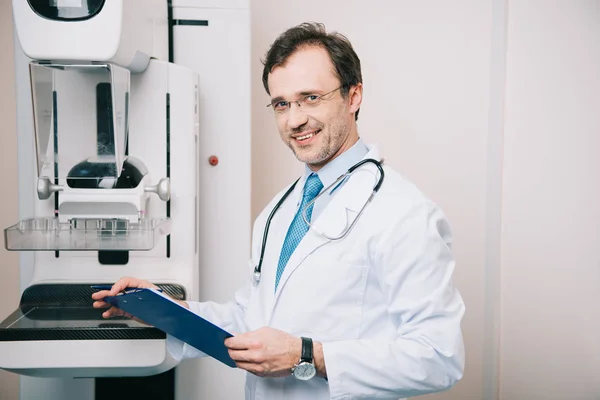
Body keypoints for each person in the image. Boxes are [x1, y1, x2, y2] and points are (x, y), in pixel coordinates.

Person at [92, 22, 465, 400]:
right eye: (282, 104)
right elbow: (252, 320)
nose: (294, 120)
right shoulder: (279, 209)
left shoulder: (405, 213)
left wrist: (307, 356)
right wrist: (167, 310)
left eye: (311, 98)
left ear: (354, 97)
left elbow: (438, 356)